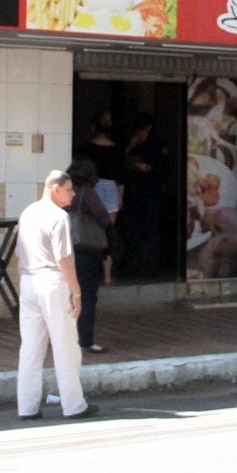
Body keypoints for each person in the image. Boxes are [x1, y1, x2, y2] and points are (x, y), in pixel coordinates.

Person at [14, 170, 101, 421]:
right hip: (52, 282)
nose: (73, 194)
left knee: (30, 348)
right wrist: (76, 292)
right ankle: (74, 405)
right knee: (65, 346)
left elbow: (19, 255)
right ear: (55, 189)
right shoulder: (59, 216)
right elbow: (63, 259)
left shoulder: (28, 212)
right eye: (69, 189)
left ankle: (27, 407)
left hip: (29, 281)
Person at [66, 156, 116, 352]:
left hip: (63, 249)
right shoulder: (86, 191)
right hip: (84, 249)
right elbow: (102, 216)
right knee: (86, 296)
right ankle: (85, 341)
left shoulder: (63, 190)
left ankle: (65, 339)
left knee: (66, 295)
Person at [119, 112, 165, 277]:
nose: (142, 133)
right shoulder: (129, 143)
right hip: (131, 194)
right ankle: (132, 265)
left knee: (150, 230)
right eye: (140, 130)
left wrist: (144, 167)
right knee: (132, 231)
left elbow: (160, 168)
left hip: (150, 194)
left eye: (146, 130)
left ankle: (150, 266)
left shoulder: (156, 145)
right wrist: (130, 146)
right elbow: (118, 163)